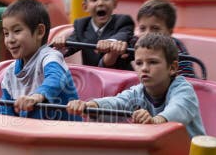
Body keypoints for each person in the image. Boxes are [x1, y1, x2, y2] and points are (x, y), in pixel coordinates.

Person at [67, 33, 206, 137]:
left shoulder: (183, 89)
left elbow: (178, 109)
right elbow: (117, 102)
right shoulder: (137, 92)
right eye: (139, 63)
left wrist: (155, 121)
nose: (144, 68)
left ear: (172, 67)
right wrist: (87, 106)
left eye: (153, 62)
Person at [0, 0, 79, 120]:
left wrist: (37, 96)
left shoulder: (50, 57)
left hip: (62, 132)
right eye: (6, 33)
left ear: (39, 32)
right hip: (29, 133)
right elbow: (6, 112)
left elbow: (55, 78)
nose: (10, 39)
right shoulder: (10, 73)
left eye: (17, 31)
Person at [101, 0, 196, 78]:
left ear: (170, 32)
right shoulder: (136, 42)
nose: (147, 34)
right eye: (142, 28)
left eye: (155, 29)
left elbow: (188, 80)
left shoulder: (177, 50)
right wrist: (113, 54)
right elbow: (108, 67)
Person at [51, 0, 133, 68]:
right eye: (94, 0)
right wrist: (60, 45)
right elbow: (70, 46)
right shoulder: (81, 25)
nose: (100, 3)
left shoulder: (123, 21)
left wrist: (110, 42)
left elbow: (123, 34)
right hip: (92, 78)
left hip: (120, 78)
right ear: (85, 7)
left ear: (115, 3)